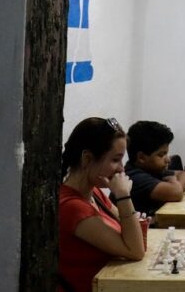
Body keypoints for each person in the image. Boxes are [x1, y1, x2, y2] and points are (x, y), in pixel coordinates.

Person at [59, 117, 145, 292]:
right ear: (87, 158)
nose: (122, 169)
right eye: (115, 160)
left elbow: (132, 234)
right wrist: (123, 195)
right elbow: (136, 250)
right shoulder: (72, 207)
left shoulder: (94, 193)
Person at [122, 120, 185, 217]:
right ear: (141, 158)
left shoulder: (152, 169)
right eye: (161, 155)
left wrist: (176, 185)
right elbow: (176, 193)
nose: (168, 159)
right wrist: (174, 184)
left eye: (166, 153)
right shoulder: (135, 177)